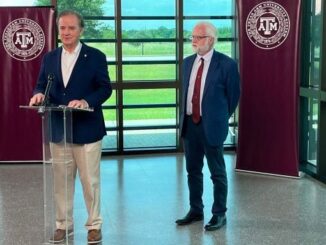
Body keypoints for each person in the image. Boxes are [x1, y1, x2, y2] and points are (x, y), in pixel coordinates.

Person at [29, 10, 112, 243]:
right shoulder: (50, 58)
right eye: (62, 28)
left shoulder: (95, 56)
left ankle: (94, 225)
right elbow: (41, 86)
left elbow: (105, 88)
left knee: (90, 182)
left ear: (81, 30)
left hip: (87, 130)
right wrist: (37, 96)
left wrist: (86, 101)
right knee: (61, 183)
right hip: (59, 129)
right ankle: (63, 225)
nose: (66, 32)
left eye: (71, 28)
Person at [176, 21, 240, 231]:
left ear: (211, 40)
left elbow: (233, 97)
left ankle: (219, 214)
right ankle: (196, 210)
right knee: (193, 171)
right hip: (190, 126)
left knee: (217, 173)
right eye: (192, 37)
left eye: (198, 37)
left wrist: (218, 118)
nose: (193, 41)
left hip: (211, 126)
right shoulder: (186, 63)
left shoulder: (227, 64)